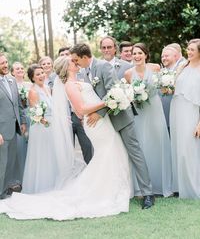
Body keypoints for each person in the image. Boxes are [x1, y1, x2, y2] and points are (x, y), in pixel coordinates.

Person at [0, 57, 131, 220]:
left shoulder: (77, 79)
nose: (76, 63)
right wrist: (108, 102)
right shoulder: (68, 85)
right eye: (72, 62)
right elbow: (80, 109)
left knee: (108, 153)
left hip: (99, 122)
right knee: (105, 153)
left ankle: (112, 186)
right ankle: (104, 189)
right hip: (93, 122)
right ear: (67, 67)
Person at [70, 43, 154, 209]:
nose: (76, 63)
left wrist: (99, 114)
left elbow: (114, 93)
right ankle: (120, 190)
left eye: (77, 60)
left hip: (120, 117)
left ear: (85, 57)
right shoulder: (84, 71)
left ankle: (148, 193)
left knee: (134, 153)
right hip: (105, 124)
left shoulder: (104, 67)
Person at [124, 43, 172, 197]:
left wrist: (167, 86)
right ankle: (142, 186)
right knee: (142, 145)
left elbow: (164, 88)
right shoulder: (128, 74)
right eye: (134, 53)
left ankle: (161, 184)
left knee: (158, 143)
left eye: (139, 53)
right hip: (139, 112)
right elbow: (127, 96)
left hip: (155, 109)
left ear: (145, 54)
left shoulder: (156, 68)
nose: (137, 56)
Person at [170, 38, 200, 198]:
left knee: (189, 150)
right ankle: (179, 187)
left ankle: (193, 188)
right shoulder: (182, 66)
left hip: (192, 113)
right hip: (176, 110)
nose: (188, 52)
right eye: (188, 49)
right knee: (178, 148)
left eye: (192, 50)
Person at [22, 64, 56, 194]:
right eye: (38, 74)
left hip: (51, 125)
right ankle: (42, 186)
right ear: (32, 78)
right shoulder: (33, 91)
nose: (41, 75)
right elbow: (35, 113)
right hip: (41, 127)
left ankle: (53, 183)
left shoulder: (48, 87)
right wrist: (46, 122)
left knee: (51, 154)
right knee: (43, 155)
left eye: (42, 73)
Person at [0, 53, 26, 199]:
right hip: (1, 131)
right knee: (1, 163)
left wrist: (22, 121)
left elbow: (17, 104)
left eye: (5, 62)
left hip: (13, 128)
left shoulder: (11, 80)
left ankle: (4, 191)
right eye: (1, 63)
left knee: (9, 163)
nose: (5, 65)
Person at [11, 62, 31, 183]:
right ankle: (22, 177)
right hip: (19, 119)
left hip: (31, 117)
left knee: (31, 147)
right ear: (12, 72)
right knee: (20, 147)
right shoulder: (11, 85)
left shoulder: (30, 85)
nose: (20, 70)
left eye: (22, 68)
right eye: (17, 69)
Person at [160, 46, 178, 133]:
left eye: (166, 56)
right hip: (164, 115)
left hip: (178, 113)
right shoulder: (160, 72)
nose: (164, 58)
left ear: (175, 56)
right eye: (162, 57)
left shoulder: (181, 70)